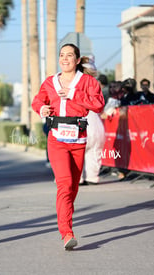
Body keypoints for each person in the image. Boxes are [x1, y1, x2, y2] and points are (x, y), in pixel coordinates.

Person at [32, 43, 105, 250]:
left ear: (78, 59)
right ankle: (67, 232)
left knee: (72, 187)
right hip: (57, 139)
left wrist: (73, 94)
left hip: (79, 139)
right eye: (62, 55)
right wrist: (42, 108)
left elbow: (98, 104)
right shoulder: (50, 82)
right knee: (64, 184)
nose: (65, 59)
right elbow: (37, 101)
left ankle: (65, 219)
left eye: (69, 55)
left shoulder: (88, 82)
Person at [78, 56, 106, 185]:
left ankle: (78, 178)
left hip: (81, 120)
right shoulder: (95, 85)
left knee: (77, 151)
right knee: (94, 151)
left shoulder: (75, 84)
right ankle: (92, 177)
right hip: (95, 121)